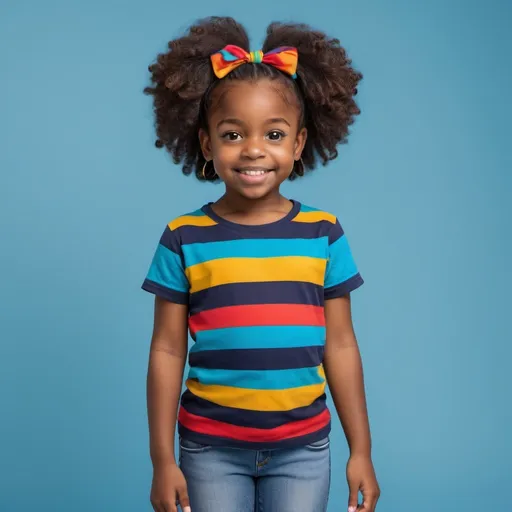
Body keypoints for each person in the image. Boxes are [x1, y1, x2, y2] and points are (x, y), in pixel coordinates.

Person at [142, 16, 380, 512]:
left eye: (273, 134)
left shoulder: (324, 233)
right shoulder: (183, 237)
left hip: (303, 450)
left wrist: (362, 450)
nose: (253, 149)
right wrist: (162, 461)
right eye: (232, 134)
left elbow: (340, 343)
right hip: (209, 449)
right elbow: (167, 350)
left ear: (298, 143)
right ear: (207, 143)